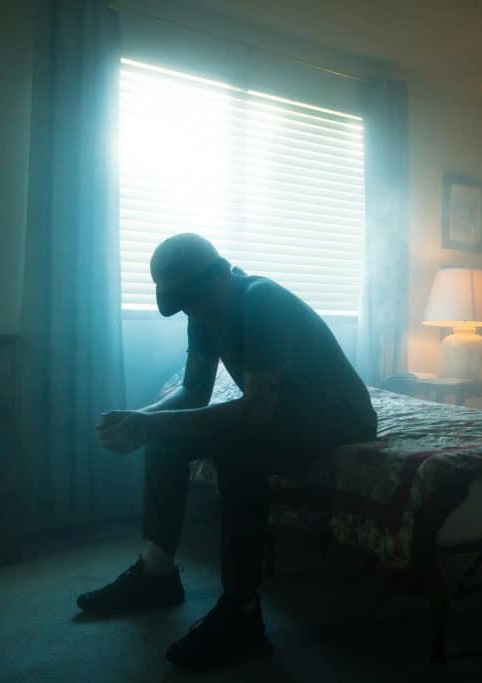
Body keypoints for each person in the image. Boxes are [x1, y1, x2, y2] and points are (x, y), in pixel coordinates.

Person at [76, 233, 377, 671]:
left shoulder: (261, 302)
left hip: (337, 419)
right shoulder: (203, 310)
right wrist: (141, 419)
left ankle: (242, 611)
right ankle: (156, 574)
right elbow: (193, 389)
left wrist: (151, 423)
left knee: (237, 450)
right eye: (183, 304)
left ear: (223, 273)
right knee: (164, 438)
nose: (193, 311)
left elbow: (255, 411)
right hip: (281, 413)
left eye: (195, 299)